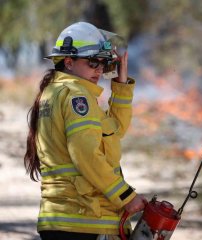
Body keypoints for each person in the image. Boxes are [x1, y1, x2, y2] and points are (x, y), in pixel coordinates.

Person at [23, 22, 147, 240]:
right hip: (85, 221)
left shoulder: (55, 92)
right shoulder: (76, 97)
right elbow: (86, 155)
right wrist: (126, 196)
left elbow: (114, 131)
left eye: (103, 63)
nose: (99, 69)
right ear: (69, 62)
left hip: (64, 219)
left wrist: (121, 83)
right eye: (92, 62)